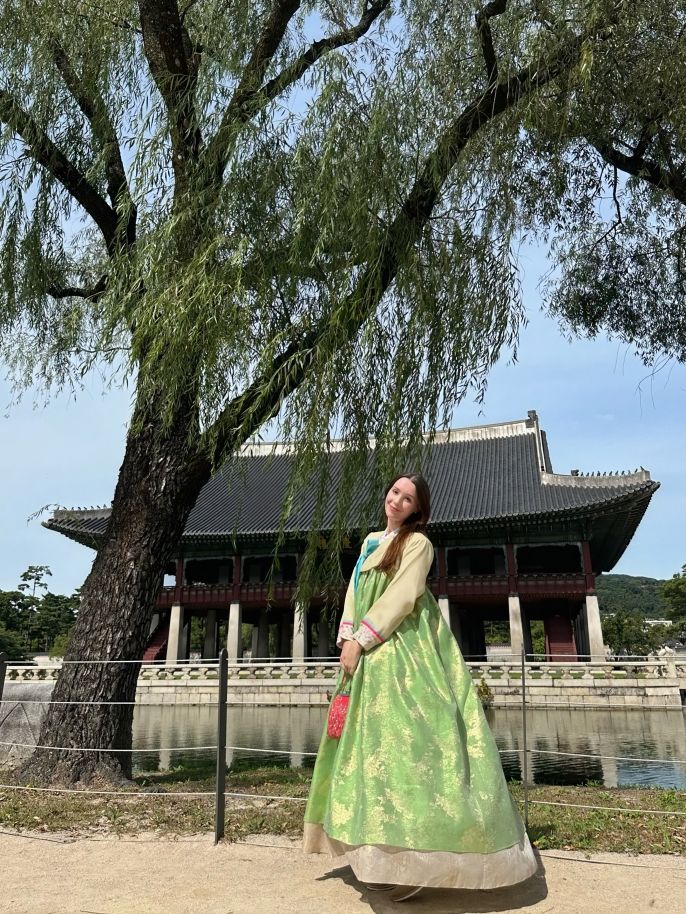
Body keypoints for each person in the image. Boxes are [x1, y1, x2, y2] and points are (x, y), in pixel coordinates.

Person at [304, 473, 537, 901]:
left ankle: (424, 860)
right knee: (370, 749)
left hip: (404, 648)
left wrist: (363, 638)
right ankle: (377, 855)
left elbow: (403, 595)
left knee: (416, 744)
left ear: (417, 508)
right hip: (366, 652)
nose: (397, 500)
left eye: (407, 498)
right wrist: (348, 635)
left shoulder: (417, 544)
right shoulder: (371, 540)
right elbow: (355, 591)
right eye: (394, 492)